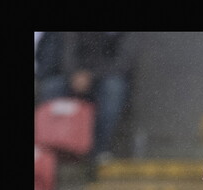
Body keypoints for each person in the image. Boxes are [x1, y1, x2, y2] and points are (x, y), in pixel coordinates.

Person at [35, 32, 135, 163]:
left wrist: (91, 75)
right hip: (74, 75)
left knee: (113, 89)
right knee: (51, 88)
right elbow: (67, 52)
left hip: (106, 76)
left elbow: (124, 60)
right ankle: (48, 148)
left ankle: (99, 149)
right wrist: (74, 74)